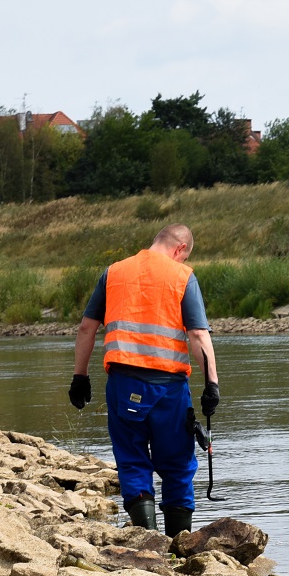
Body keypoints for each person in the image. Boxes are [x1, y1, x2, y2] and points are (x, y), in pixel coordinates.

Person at [69, 223, 219, 536]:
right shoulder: (182, 276)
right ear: (179, 249)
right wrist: (211, 385)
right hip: (168, 389)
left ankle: (148, 541)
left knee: (132, 461)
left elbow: (86, 328)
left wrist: (80, 376)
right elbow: (197, 335)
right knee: (177, 466)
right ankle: (179, 546)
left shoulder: (114, 273)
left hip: (123, 385)